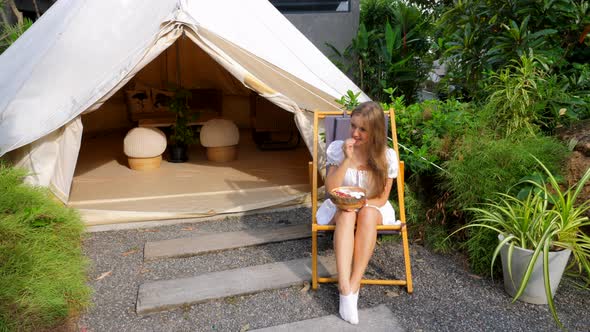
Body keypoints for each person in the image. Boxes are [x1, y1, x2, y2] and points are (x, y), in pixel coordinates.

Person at [316, 101, 399, 325]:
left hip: (373, 207)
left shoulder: (387, 157)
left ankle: (355, 283)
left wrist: (361, 205)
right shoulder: (338, 148)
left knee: (367, 214)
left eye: (363, 129)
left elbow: (382, 198)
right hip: (339, 205)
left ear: (375, 131)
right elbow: (331, 190)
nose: (355, 132)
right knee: (346, 213)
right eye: (353, 126)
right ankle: (345, 289)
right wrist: (347, 159)